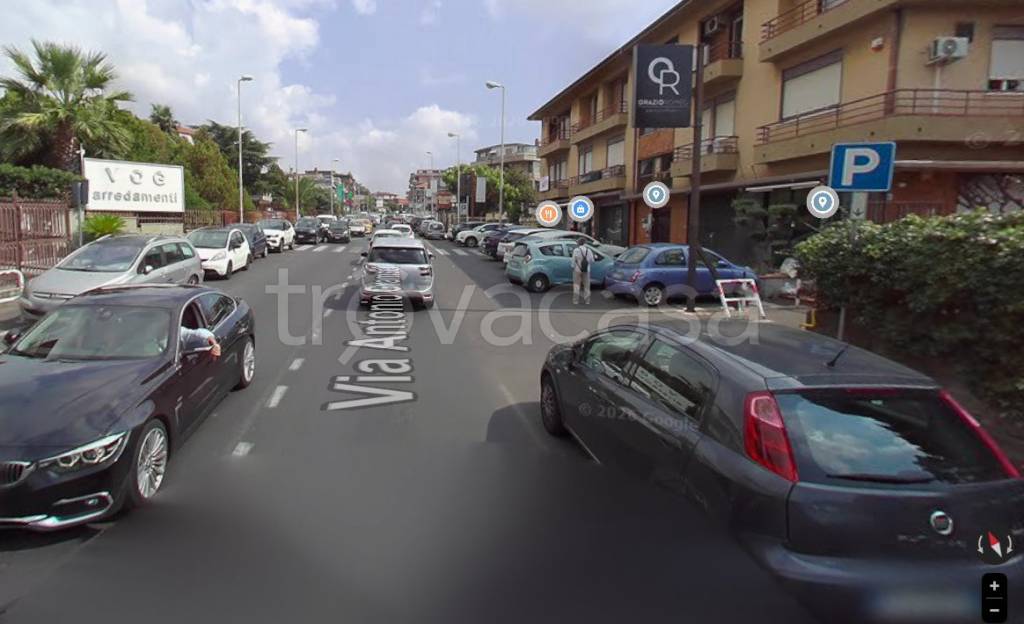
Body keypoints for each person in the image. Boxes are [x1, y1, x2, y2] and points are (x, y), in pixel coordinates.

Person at [571, 238, 595, 305]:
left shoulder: (576, 250)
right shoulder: (589, 250)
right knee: (587, 286)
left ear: (579, 243)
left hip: (577, 270)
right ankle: (587, 301)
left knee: (576, 286)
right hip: (587, 270)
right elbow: (592, 261)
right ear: (585, 243)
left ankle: (575, 301)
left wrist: (572, 267)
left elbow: (573, 261)